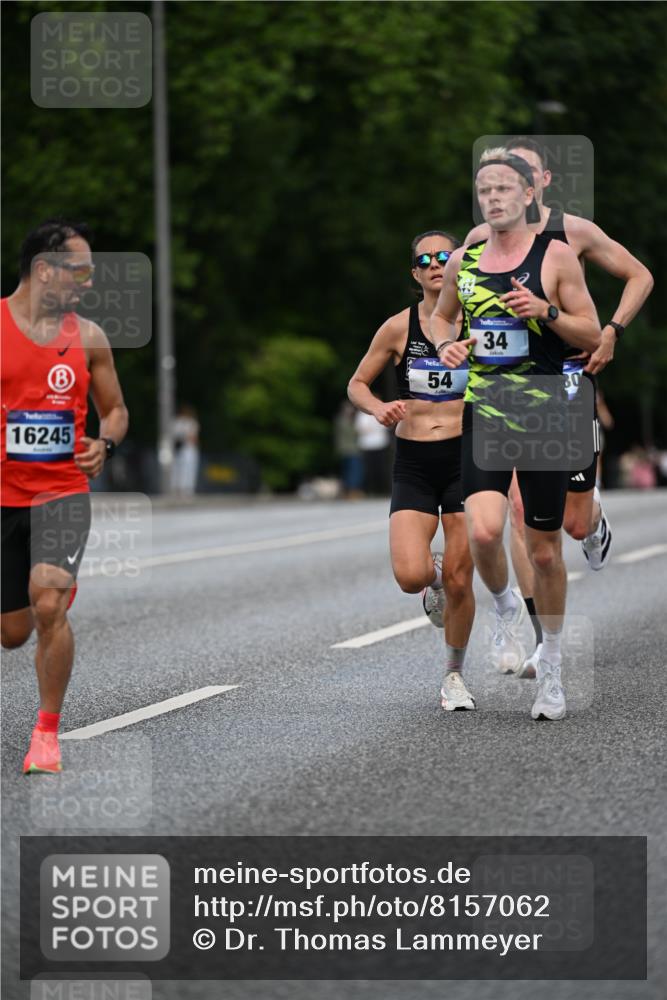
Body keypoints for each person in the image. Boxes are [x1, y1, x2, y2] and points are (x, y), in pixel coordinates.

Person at [466, 137, 653, 675]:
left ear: (541, 181)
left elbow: (641, 274)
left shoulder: (574, 233)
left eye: (521, 170)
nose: (506, 183)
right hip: (506, 395)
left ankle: (593, 519)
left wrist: (613, 331)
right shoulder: (484, 239)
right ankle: (538, 633)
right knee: (520, 517)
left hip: (569, 380)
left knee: (571, 524)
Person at [430, 151, 602, 720]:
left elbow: (592, 330)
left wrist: (545, 311)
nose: (494, 198)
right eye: (485, 190)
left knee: (546, 550)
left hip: (547, 414)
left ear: (530, 195)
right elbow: (440, 315)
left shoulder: (554, 256)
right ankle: (505, 606)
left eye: (505, 188)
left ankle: (551, 664)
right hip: (487, 410)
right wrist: (446, 344)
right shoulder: (466, 260)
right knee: (482, 531)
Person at [1, 219, 129, 773]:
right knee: (12, 632)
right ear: (44, 270)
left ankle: (46, 734)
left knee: (48, 599)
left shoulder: (90, 337)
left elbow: (117, 410)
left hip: (62, 492)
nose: (86, 284)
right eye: (79, 272)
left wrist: (105, 443)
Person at [348, 231, 476, 711]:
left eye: (447, 256)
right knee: (410, 574)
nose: (438, 264)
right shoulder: (397, 328)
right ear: (415, 273)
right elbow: (357, 383)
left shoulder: (478, 319)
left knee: (465, 580)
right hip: (416, 462)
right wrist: (377, 408)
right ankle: (435, 575)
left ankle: (454, 677)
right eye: (427, 259)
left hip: (468, 456)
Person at [334, 399, 364, 498]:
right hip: (351, 450)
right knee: (353, 471)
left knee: (350, 471)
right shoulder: (345, 421)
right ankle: (351, 491)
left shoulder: (341, 420)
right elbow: (354, 432)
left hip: (348, 449)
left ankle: (349, 491)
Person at [171, 404, 200, 496]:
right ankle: (180, 489)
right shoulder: (177, 422)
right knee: (179, 469)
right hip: (180, 449)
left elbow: (194, 438)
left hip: (188, 448)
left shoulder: (191, 423)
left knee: (187, 469)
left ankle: (186, 489)